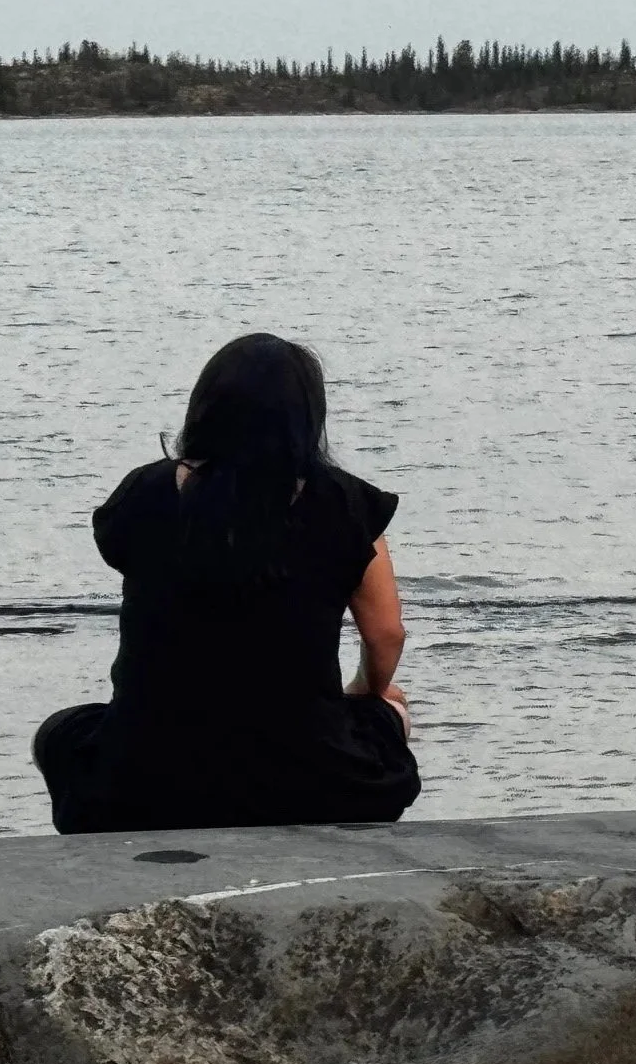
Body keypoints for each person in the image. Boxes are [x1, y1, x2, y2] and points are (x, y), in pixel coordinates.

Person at [33, 333, 420, 833]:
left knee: (59, 734)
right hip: (313, 783)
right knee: (392, 708)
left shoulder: (143, 493)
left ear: (205, 408)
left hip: (144, 786)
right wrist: (365, 691)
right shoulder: (348, 505)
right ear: (306, 419)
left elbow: (128, 557)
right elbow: (386, 634)